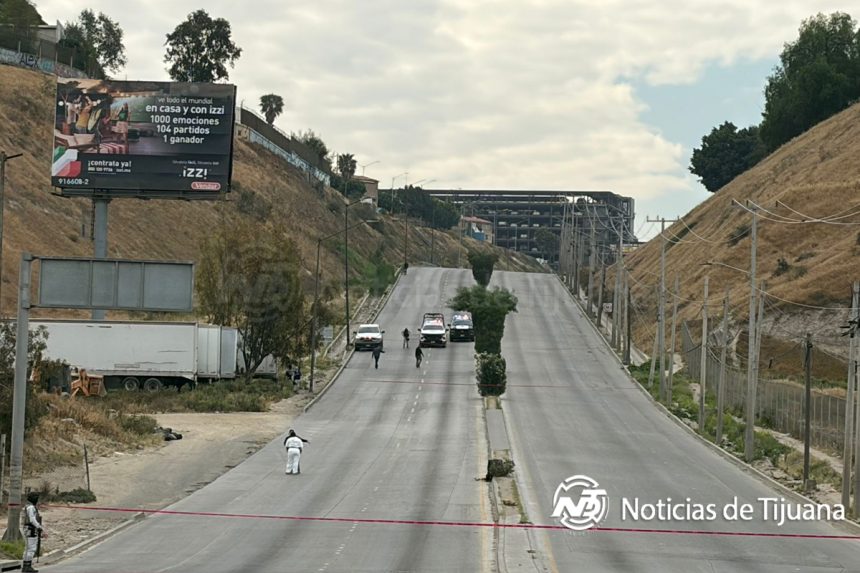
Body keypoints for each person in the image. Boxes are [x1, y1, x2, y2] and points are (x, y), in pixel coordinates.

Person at [21, 491, 45, 573]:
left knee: (29, 548)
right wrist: (39, 527)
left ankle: (27, 565)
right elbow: (32, 519)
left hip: (31, 529)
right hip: (30, 529)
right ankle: (26, 566)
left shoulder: (29, 506)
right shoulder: (30, 507)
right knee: (30, 549)